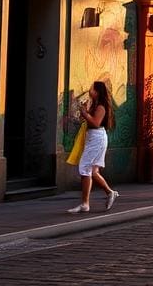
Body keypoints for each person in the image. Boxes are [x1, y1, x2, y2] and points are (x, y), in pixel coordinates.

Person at [68, 80, 118, 213]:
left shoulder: (101, 106)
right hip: (93, 137)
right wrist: (84, 111)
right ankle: (109, 193)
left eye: (92, 88)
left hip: (97, 138)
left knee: (84, 168)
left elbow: (95, 123)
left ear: (97, 91)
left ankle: (85, 203)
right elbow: (88, 121)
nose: (90, 90)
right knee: (93, 171)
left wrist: (85, 114)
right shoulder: (95, 104)